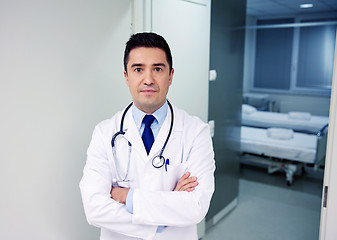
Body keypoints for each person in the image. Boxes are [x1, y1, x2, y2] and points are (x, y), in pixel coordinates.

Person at [80, 32, 215, 240]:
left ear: (170, 76)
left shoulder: (196, 132)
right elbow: (95, 208)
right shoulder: (104, 133)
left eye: (158, 69)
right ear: (126, 76)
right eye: (138, 69)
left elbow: (196, 206)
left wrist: (126, 196)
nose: (148, 79)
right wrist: (161, 218)